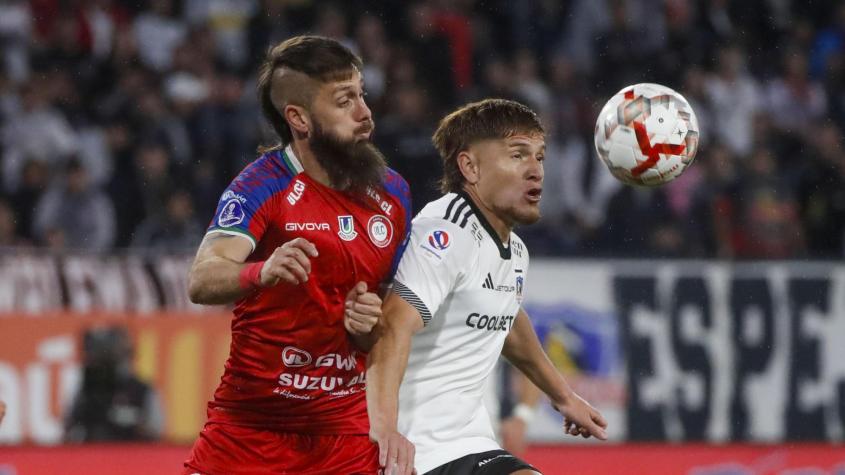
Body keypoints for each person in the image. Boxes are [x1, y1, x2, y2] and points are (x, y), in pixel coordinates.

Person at [183, 35, 411, 475]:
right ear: (299, 118)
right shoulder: (262, 185)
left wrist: (369, 323)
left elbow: (386, 323)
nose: (365, 113)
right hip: (248, 431)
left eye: (362, 95)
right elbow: (202, 278)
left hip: (344, 436)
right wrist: (260, 271)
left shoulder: (393, 193)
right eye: (345, 101)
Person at [366, 98, 607, 475]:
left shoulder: (514, 251)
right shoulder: (446, 230)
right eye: (518, 155)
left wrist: (563, 397)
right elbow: (393, 323)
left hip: (469, 443)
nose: (536, 171)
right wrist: (384, 431)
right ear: (470, 166)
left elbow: (508, 317)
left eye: (540, 157)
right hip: (417, 450)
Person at [64, 325, 164, 442]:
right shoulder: (86, 391)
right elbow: (69, 430)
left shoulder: (141, 390)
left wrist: (129, 421)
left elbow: (156, 432)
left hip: (132, 454)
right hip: (93, 454)